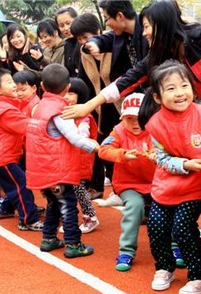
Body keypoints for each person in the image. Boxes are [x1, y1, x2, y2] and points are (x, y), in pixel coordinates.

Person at [63, 1, 201, 132]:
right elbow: (127, 80)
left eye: (146, 27)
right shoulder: (160, 55)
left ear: (162, 24)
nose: (144, 33)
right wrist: (88, 106)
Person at [144, 60, 201, 294]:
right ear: (157, 97)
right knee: (156, 227)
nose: (179, 93)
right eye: (170, 88)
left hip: (196, 186)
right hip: (166, 185)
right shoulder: (154, 124)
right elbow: (161, 158)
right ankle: (164, 268)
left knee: (182, 228)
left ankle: (200, 276)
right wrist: (184, 164)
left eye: (184, 86)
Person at [25, 63, 99, 257]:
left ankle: (48, 238)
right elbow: (75, 137)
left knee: (53, 204)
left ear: (41, 85)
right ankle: (73, 244)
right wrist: (96, 147)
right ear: (67, 88)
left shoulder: (39, 107)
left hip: (42, 168)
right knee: (67, 206)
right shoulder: (60, 111)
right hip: (58, 169)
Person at [0, 68, 43, 231]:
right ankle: (28, 219)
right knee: (21, 184)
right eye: (9, 83)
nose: (14, 86)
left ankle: (7, 208)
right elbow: (28, 127)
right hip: (0, 156)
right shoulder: (5, 110)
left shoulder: (2, 106)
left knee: (13, 184)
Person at [98, 92, 156, 271]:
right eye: (129, 118)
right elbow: (103, 150)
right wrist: (122, 155)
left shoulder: (155, 129)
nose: (135, 122)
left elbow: (166, 147)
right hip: (128, 184)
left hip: (156, 183)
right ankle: (126, 251)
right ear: (122, 118)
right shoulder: (118, 131)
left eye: (139, 118)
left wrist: (157, 155)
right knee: (134, 207)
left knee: (165, 211)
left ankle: (175, 247)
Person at [70, 12, 123, 205]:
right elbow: (84, 81)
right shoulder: (83, 54)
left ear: (98, 32)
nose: (84, 42)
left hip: (122, 103)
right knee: (104, 147)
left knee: (125, 146)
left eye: (86, 37)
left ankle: (133, 191)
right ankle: (116, 188)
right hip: (100, 106)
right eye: (80, 39)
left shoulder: (115, 46)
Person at [60, 77, 100, 234]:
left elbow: (83, 133)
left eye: (71, 93)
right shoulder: (66, 113)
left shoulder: (85, 116)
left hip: (81, 159)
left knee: (79, 189)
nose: (67, 97)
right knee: (71, 189)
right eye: (65, 93)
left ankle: (91, 217)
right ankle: (71, 218)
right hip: (70, 158)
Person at [55, 6, 79, 76]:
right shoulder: (67, 44)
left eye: (68, 23)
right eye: (61, 25)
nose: (66, 28)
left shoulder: (86, 41)